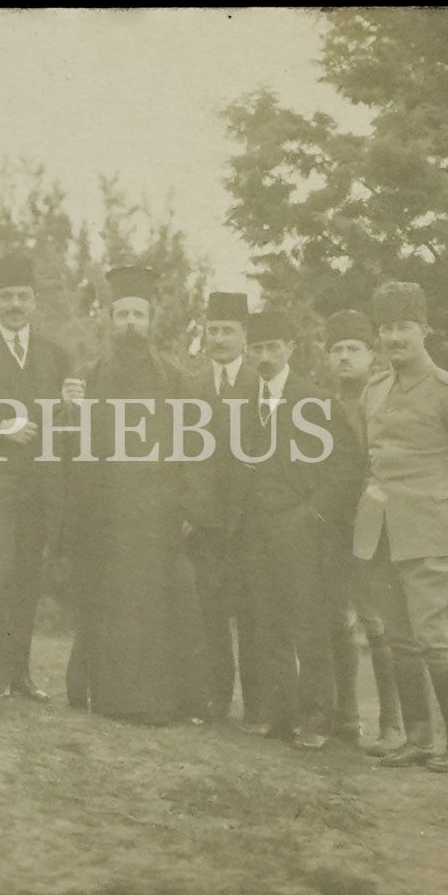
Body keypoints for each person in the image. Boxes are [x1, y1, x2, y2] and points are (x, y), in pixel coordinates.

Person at [354, 282, 448, 773]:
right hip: (382, 531)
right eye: (387, 328)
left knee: (433, 640)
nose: (395, 337)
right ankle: (417, 738)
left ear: (425, 330)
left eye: (405, 327)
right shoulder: (374, 389)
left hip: (434, 532)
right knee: (399, 639)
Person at [62, 266, 212, 726]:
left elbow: (197, 444)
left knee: (160, 605)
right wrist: (70, 410)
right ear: (110, 319)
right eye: (123, 314)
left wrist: (190, 505)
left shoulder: (175, 377)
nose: (130, 323)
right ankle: (111, 699)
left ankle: (159, 703)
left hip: (157, 515)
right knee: (110, 604)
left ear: (150, 321)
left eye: (138, 315)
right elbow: (71, 445)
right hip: (106, 514)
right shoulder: (89, 376)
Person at [234, 310, 364, 751]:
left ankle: (317, 719)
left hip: (301, 527)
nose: (265, 357)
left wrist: (314, 512)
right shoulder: (243, 402)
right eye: (257, 349)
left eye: (273, 347)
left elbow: (347, 465)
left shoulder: (316, 400)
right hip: (256, 527)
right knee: (267, 622)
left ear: (290, 348)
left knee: (309, 624)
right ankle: (281, 716)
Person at [0, 253, 71, 701]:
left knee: (28, 577)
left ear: (34, 301)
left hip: (40, 484)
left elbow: (64, 420)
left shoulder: (55, 354)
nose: (14, 305)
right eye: (6, 296)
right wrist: (2, 426)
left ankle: (21, 673)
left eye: (22, 297)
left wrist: (71, 406)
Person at [323, 308, 411, 752]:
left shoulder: (386, 401)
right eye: (336, 349)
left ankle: (393, 724)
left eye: (353, 349)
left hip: (378, 525)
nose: (344, 357)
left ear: (371, 355)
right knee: (338, 620)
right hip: (333, 526)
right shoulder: (319, 407)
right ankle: (347, 718)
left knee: (378, 622)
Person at [188, 291, 265, 726]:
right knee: (210, 613)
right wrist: (193, 511)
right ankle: (215, 699)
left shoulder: (261, 385)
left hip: (252, 520)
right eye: (213, 330)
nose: (218, 339)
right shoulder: (192, 385)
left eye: (227, 331)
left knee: (253, 613)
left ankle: (259, 705)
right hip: (206, 523)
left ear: (244, 335)